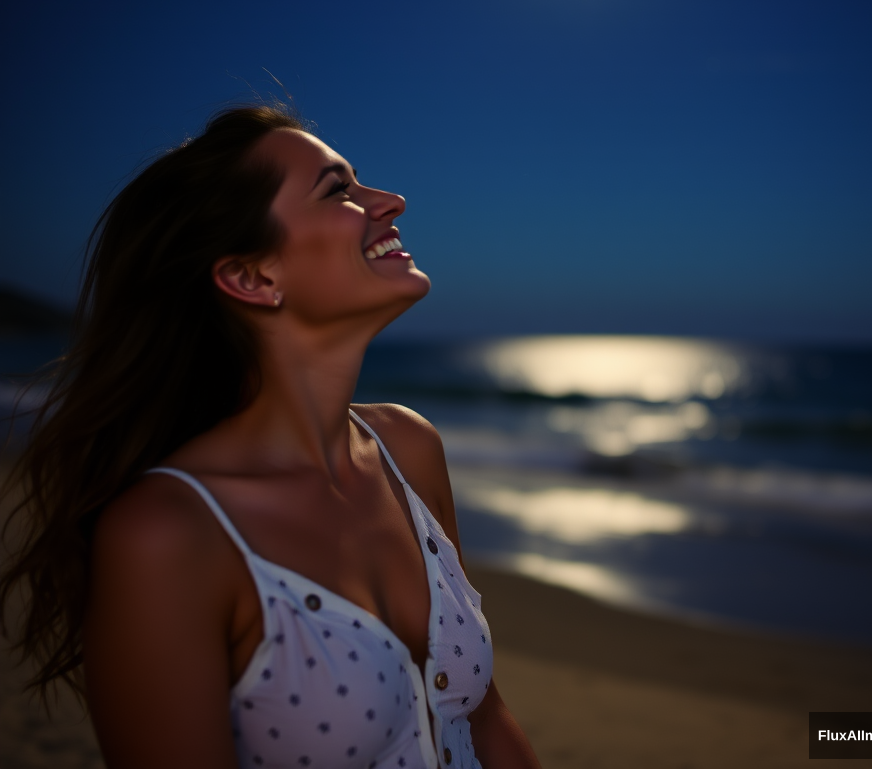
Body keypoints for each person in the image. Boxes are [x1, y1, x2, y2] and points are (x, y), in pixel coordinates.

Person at [0, 105, 541, 769]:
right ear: (252, 278)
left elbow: (486, 723)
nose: (391, 202)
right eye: (338, 190)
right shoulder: (169, 531)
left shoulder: (410, 449)